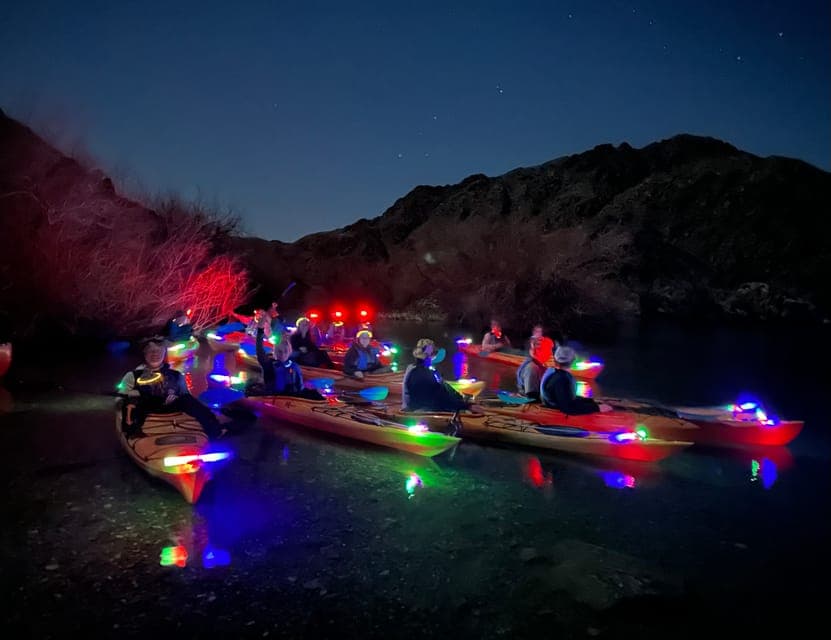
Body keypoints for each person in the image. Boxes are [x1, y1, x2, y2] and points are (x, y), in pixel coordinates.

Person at [119, 337, 223, 439]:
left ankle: (215, 430)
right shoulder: (133, 375)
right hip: (147, 405)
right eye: (151, 351)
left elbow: (185, 393)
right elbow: (120, 397)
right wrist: (131, 393)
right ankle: (132, 432)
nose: (155, 354)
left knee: (189, 401)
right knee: (131, 402)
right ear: (145, 354)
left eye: (158, 351)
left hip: (172, 404)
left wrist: (176, 397)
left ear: (164, 354)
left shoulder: (176, 375)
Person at [402, 338, 483, 413]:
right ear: (431, 356)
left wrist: (463, 400)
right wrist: (467, 406)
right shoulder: (421, 374)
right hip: (421, 411)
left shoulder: (420, 370)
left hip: (427, 406)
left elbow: (444, 388)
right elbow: (440, 398)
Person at [253, 315, 322, 398]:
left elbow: (300, 388)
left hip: (293, 399)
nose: (282, 354)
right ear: (275, 352)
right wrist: (260, 330)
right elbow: (259, 350)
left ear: (289, 352)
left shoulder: (294, 366)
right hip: (275, 397)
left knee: (315, 393)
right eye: (279, 351)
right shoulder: (268, 365)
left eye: (285, 351)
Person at [540, 346, 611, 415]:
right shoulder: (561, 379)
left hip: (557, 403)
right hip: (555, 410)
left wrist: (590, 401)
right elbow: (568, 408)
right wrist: (597, 408)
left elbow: (567, 397)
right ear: (573, 360)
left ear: (556, 360)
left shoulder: (558, 374)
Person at [516, 334, 554, 399]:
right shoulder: (532, 368)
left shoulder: (541, 365)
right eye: (548, 349)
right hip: (529, 400)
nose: (551, 353)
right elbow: (531, 395)